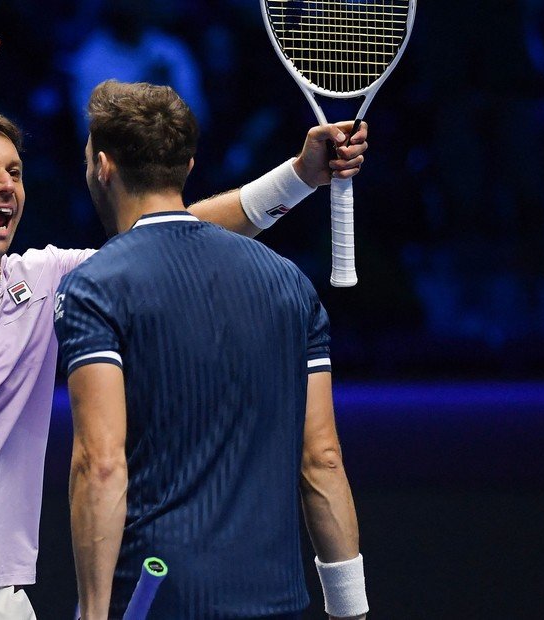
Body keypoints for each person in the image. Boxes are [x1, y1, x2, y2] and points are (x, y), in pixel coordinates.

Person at [0, 25, 368, 619]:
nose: (5, 186)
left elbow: (172, 235)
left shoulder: (45, 282)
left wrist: (301, 176)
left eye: (15, 172)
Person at [55, 80, 366, 619]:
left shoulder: (96, 286)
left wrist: (95, 612)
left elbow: (101, 466)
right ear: (189, 165)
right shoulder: (290, 284)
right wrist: (350, 610)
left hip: (158, 600)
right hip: (278, 602)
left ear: (102, 167)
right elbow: (323, 460)